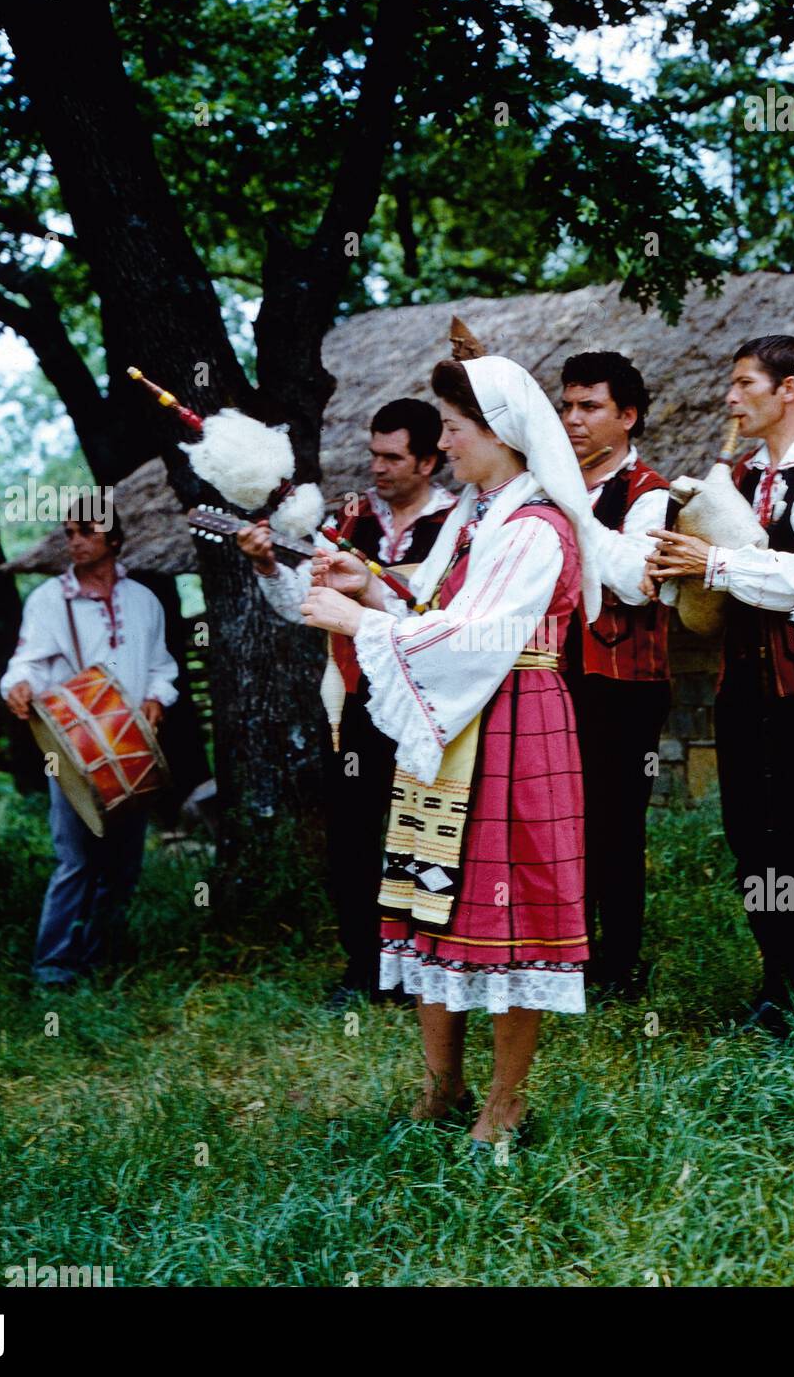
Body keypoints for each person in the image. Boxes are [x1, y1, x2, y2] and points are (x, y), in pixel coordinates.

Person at [300, 355, 603, 1150]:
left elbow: (478, 635)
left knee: (512, 914)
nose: (448, 445)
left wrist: (359, 623)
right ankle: (442, 1087)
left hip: (512, 719)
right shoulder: (478, 515)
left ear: (501, 432)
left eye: (458, 431)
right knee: (436, 902)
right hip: (454, 721)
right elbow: (434, 605)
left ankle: (503, 1105)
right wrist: (368, 590)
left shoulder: (537, 526)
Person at [646, 337, 794, 1034]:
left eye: (743, 384)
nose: (730, 399)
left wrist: (716, 561)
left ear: (789, 386)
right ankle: (775, 983)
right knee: (750, 835)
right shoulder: (737, 475)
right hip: (744, 684)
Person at [237, 400, 456, 1006]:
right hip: (358, 699)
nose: (378, 468)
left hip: (435, 704)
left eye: (393, 457)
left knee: (427, 834)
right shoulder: (347, 521)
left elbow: (452, 618)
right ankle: (365, 966)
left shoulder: (461, 524)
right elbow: (300, 606)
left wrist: (377, 603)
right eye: (373, 454)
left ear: (430, 459)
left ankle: (430, 965)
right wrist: (266, 567)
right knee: (354, 836)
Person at [0, 496, 178, 988]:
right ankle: (52, 967)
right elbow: (27, 664)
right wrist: (17, 686)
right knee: (76, 860)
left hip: (131, 751)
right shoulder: (48, 601)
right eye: (69, 532)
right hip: (73, 751)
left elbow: (162, 666)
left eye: (86, 531)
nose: (74, 540)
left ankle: (101, 956)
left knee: (123, 867)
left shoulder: (144, 601)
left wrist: (157, 698)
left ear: (114, 540)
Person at [557, 351, 673, 1000]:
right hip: (559, 672)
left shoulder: (649, 493)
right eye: (567, 406)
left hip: (623, 682)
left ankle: (621, 963)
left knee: (614, 823)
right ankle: (569, 950)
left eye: (589, 406)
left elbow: (633, 584)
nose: (573, 419)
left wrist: (573, 510)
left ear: (627, 416)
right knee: (563, 819)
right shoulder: (551, 484)